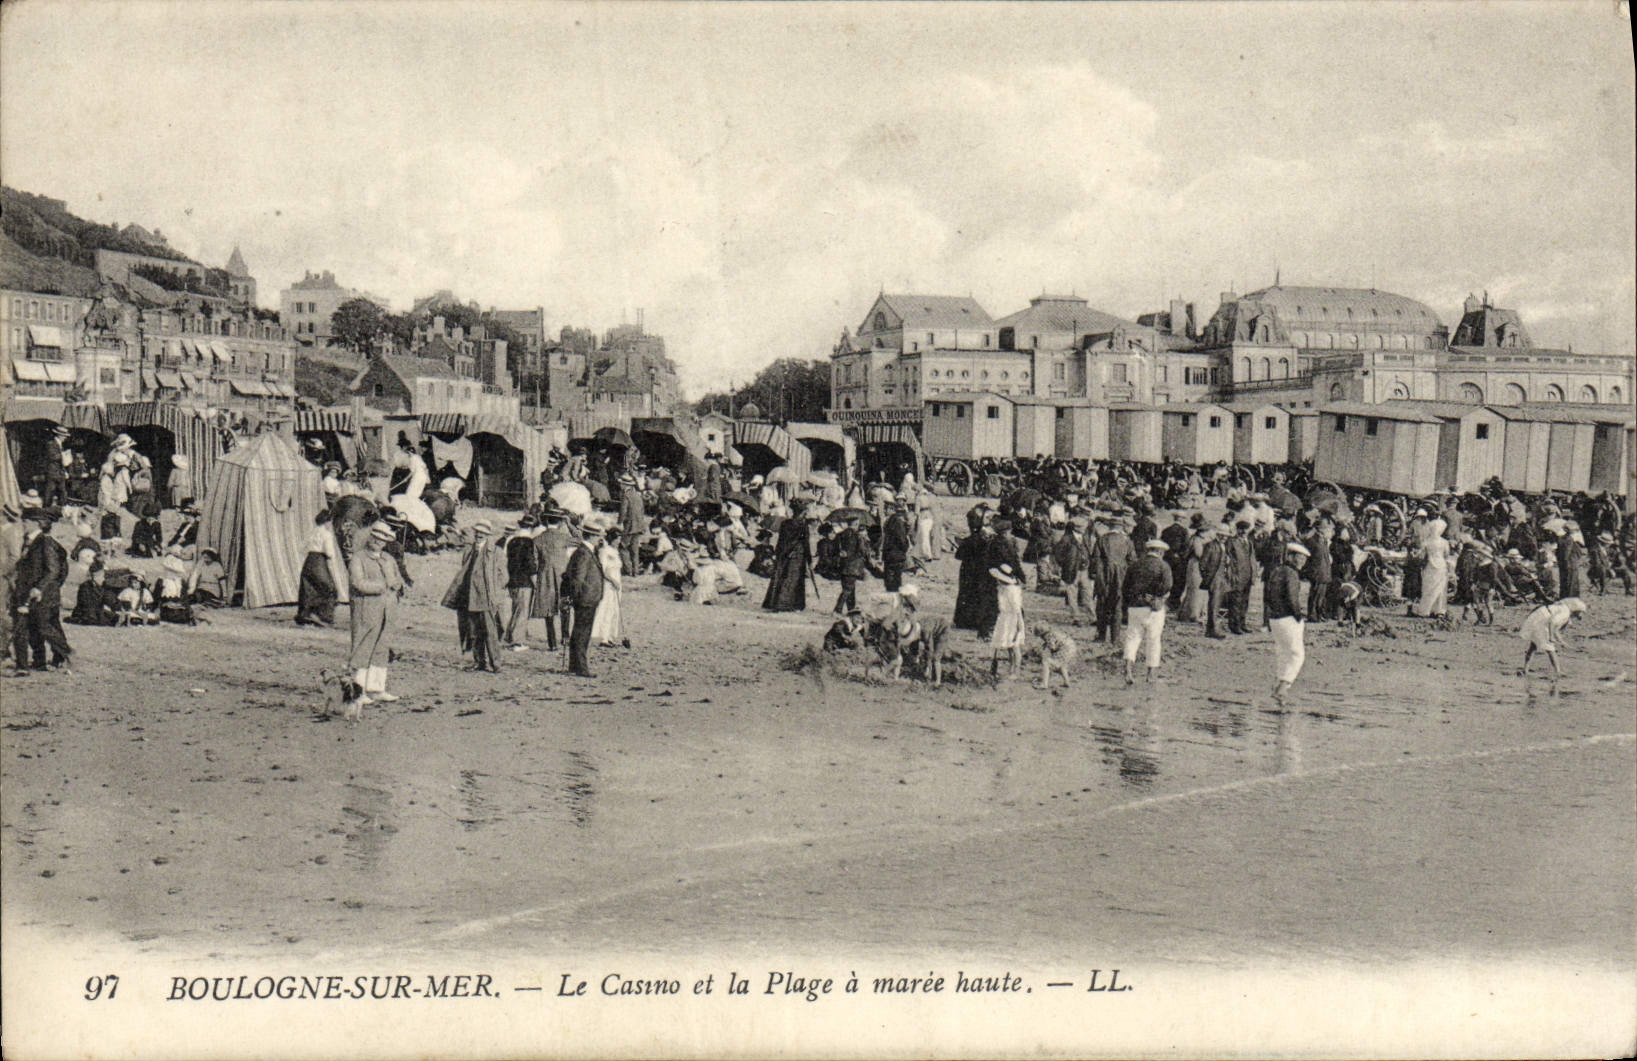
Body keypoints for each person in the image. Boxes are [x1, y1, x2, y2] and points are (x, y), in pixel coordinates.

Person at [10, 505, 71, 674]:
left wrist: (39, 588)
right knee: (22, 628)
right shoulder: (26, 542)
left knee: (43, 627)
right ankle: (23, 666)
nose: (23, 524)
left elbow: (53, 570)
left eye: (26, 521)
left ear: (35, 523)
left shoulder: (45, 542)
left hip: (41, 594)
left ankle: (65, 653)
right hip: (24, 592)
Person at [348, 521, 404, 705]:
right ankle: (357, 692)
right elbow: (357, 582)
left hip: (387, 610)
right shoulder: (358, 558)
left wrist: (397, 585)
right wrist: (380, 587)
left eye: (382, 539)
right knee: (363, 648)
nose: (378, 542)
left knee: (381, 648)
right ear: (369, 537)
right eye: (375, 538)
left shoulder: (388, 559)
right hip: (367, 609)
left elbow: (396, 578)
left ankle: (377, 688)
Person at [443, 520, 506, 673]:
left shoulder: (496, 552)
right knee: (473, 632)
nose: (479, 535)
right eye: (477, 532)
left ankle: (496, 663)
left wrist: (495, 592)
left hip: (487, 597)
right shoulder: (469, 551)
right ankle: (479, 662)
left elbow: (503, 576)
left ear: (487, 535)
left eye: (482, 533)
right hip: (469, 597)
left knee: (490, 632)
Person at [1121, 538, 1172, 685]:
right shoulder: (1163, 566)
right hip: (1153, 608)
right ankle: (1151, 674)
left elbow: (1125, 587)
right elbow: (1167, 586)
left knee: (1132, 637)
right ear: (1160, 551)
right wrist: (1155, 597)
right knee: (1154, 640)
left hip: (1135, 606)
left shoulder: (1134, 565)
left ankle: (1128, 669)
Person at [562, 515, 608, 677]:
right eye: (599, 537)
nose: (600, 540)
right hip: (585, 599)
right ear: (593, 536)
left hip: (587, 598)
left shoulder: (586, 551)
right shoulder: (584, 553)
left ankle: (575, 665)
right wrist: (576, 596)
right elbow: (578, 579)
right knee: (583, 633)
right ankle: (581, 667)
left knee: (579, 632)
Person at [1267, 540, 1308, 705]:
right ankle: (1283, 687)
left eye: (1304, 559)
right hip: (1287, 618)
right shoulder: (1291, 574)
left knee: (1283, 652)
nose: (1302, 562)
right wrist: (1299, 615)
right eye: (1300, 558)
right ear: (1291, 557)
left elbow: (1267, 595)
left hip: (1274, 617)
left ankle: (1278, 684)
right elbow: (1292, 598)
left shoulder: (1276, 570)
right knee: (1297, 655)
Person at [531, 506, 570, 650]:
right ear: (560, 522)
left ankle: (552, 642)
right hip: (562, 576)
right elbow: (579, 539)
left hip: (545, 576)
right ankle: (565, 637)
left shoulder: (537, 539)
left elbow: (534, 561)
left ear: (546, 521)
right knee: (564, 606)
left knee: (548, 610)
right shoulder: (564, 537)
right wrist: (569, 523)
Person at [1519, 597, 1587, 681]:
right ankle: (1557, 672)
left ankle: (1525, 669)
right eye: (1581, 612)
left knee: (1533, 645)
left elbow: (1555, 629)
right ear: (1576, 610)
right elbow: (1551, 622)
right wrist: (1551, 636)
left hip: (1539, 617)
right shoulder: (1565, 613)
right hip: (1542, 620)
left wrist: (1562, 642)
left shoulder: (1564, 610)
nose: (1581, 616)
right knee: (1550, 648)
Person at [762, 500, 811, 612]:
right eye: (804, 513)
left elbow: (780, 541)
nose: (805, 515)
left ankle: (776, 603)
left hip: (784, 554)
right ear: (801, 513)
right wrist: (809, 560)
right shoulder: (803, 526)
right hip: (798, 556)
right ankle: (791, 605)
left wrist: (778, 554)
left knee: (782, 578)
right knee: (794, 580)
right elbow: (806, 544)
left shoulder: (785, 523)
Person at [1093, 515, 1134, 644]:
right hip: (1121, 575)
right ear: (1121, 527)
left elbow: (1096, 560)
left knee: (1102, 605)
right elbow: (1132, 560)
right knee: (1117, 605)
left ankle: (1101, 636)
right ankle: (1115, 637)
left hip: (1104, 574)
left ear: (1109, 526)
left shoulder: (1102, 539)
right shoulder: (1127, 541)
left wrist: (1098, 576)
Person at [295, 509, 340, 627]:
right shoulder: (327, 534)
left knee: (308, 588)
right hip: (319, 561)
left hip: (309, 560)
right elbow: (329, 553)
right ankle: (323, 617)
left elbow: (301, 548)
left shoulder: (311, 532)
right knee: (329, 588)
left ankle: (306, 615)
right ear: (327, 521)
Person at [952, 507, 993, 633]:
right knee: (978, 594)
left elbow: (958, 555)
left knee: (966, 594)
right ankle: (977, 620)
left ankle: (964, 620)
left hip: (968, 570)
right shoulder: (985, 538)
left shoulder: (970, 540)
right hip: (981, 570)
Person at [504, 515, 540, 649]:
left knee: (515, 609)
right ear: (531, 528)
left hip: (512, 580)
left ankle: (509, 635)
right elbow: (530, 565)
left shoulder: (512, 541)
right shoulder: (529, 542)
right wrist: (535, 582)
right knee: (522, 611)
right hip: (524, 581)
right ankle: (517, 641)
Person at [1054, 516, 1095, 626]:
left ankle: (1092, 616)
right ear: (1076, 528)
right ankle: (1075, 617)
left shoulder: (1084, 538)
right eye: (1083, 527)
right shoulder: (1066, 539)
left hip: (1084, 570)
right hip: (1072, 571)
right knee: (1072, 595)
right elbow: (1057, 554)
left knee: (1087, 593)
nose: (1084, 529)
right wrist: (1066, 564)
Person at [988, 562, 1026, 679]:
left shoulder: (1012, 591)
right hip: (1004, 617)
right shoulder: (1002, 589)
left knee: (1014, 645)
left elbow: (1017, 609)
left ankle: (1016, 670)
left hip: (1013, 618)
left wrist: (1020, 624)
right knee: (1008, 644)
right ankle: (1010, 667)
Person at [591, 527, 626, 648]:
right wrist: (612, 580)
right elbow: (602, 569)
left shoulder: (616, 552)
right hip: (608, 584)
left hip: (616, 584)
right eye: (617, 538)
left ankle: (610, 636)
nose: (619, 541)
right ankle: (603, 637)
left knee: (614, 609)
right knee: (605, 609)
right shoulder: (604, 551)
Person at [1413, 517, 1450, 618]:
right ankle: (1439, 610)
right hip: (1441, 565)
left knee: (1428, 588)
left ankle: (1425, 610)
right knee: (1440, 588)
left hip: (1430, 565)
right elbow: (1447, 555)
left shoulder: (1427, 541)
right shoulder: (1444, 542)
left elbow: (1421, 555)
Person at [832, 512, 866, 615]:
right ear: (855, 524)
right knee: (848, 589)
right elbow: (862, 551)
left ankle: (851, 609)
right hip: (853, 566)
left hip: (842, 565)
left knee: (849, 588)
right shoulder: (857, 536)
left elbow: (834, 549)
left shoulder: (840, 535)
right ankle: (837, 610)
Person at [617, 472, 647, 576]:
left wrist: (619, 523)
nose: (620, 486)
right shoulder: (637, 495)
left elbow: (623, 511)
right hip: (638, 525)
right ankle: (636, 571)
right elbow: (642, 510)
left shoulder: (626, 496)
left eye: (621, 484)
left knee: (623, 547)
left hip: (629, 526)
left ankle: (628, 570)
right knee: (635, 549)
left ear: (625, 485)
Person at [880, 497, 912, 592]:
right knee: (892, 581)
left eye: (886, 509)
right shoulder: (892, 520)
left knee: (893, 582)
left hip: (894, 555)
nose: (885, 511)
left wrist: (902, 550)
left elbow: (902, 539)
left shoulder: (896, 521)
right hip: (893, 555)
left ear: (891, 509)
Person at [1161, 512, 1191, 612]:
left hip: (1167, 558)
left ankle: (1166, 601)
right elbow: (1186, 547)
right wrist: (1182, 556)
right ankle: (1174, 602)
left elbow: (1162, 544)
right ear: (1181, 520)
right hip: (1179, 560)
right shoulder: (1184, 531)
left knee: (1167, 578)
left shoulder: (1166, 530)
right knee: (1178, 581)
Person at [68, 561, 114, 626]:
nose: (103, 579)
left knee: (112, 616)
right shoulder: (85, 587)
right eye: (102, 576)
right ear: (95, 577)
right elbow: (86, 604)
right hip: (85, 612)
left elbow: (109, 600)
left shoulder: (102, 587)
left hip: (97, 611)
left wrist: (118, 606)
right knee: (96, 619)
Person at [42, 425, 71, 508]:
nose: (65, 438)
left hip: (60, 473)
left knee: (63, 494)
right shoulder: (51, 444)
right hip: (52, 473)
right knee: (49, 494)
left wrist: (65, 471)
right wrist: (64, 455)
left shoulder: (60, 445)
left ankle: (61, 512)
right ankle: (45, 511)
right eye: (65, 436)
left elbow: (61, 461)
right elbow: (52, 456)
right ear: (60, 435)